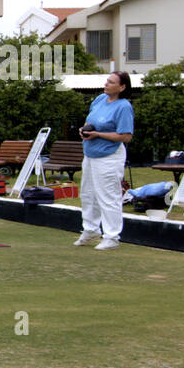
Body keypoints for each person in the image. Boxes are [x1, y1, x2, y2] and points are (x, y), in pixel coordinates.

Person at [75, 71, 134, 250]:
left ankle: (112, 236)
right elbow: (90, 122)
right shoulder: (100, 99)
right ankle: (91, 229)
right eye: (107, 81)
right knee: (88, 194)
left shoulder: (123, 107)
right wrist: (83, 131)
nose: (106, 84)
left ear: (122, 87)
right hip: (91, 154)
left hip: (109, 156)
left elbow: (126, 136)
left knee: (108, 196)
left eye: (111, 82)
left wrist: (98, 134)